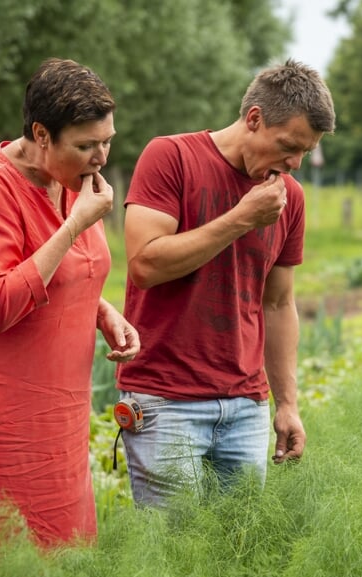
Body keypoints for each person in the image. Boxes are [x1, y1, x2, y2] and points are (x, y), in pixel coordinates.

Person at [0, 58, 139, 577]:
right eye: (86, 145)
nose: (100, 157)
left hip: (54, 416)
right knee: (1, 574)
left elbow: (62, 275)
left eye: (107, 141)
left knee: (55, 572)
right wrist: (74, 225)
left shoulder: (70, 181)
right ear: (41, 134)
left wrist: (101, 310)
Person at [117, 59, 335, 506]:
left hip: (246, 408)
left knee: (238, 553)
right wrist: (240, 219)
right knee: (178, 557)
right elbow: (145, 264)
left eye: (305, 153)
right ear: (254, 119)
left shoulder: (289, 197)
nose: (293, 163)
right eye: (288, 145)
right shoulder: (171, 157)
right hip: (166, 400)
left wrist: (287, 404)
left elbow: (278, 304)